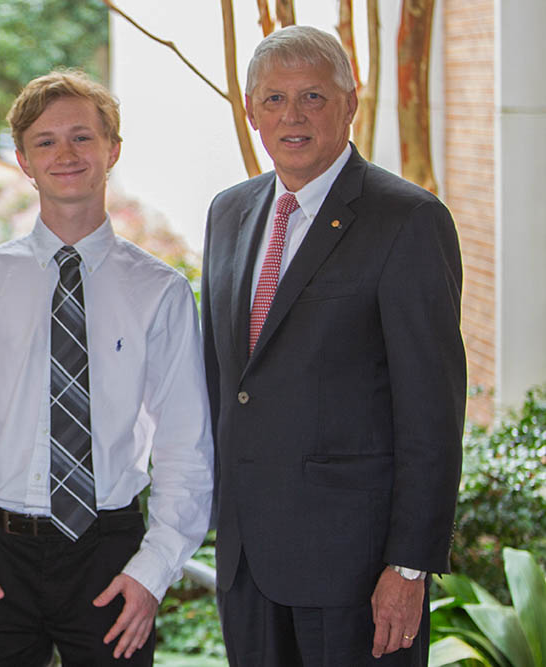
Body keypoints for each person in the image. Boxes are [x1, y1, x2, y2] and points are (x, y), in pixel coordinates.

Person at [0, 69, 214, 666]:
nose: (65, 153)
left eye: (82, 136)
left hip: (110, 554)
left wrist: (153, 570)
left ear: (113, 150)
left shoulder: (161, 291)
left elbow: (185, 445)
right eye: (45, 141)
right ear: (22, 159)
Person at [201, 25, 465, 666]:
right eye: (273, 99)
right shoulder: (228, 212)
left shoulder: (406, 219)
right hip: (249, 565)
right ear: (251, 111)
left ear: (352, 102)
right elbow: (228, 381)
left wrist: (408, 567)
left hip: (356, 571)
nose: (292, 116)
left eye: (313, 97)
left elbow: (432, 411)